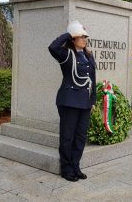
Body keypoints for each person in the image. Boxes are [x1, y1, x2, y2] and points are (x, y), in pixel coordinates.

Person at [48, 20, 96, 182]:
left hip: (85, 101)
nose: (84, 39)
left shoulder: (88, 55)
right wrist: (70, 33)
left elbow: (92, 79)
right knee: (67, 136)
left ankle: (76, 166)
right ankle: (66, 168)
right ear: (73, 39)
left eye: (85, 37)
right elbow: (52, 47)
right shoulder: (66, 54)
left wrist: (93, 100)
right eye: (81, 36)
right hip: (69, 101)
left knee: (81, 136)